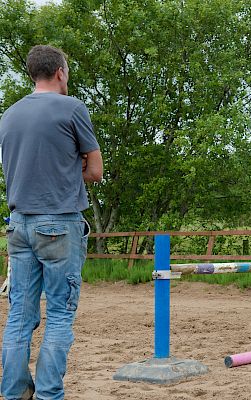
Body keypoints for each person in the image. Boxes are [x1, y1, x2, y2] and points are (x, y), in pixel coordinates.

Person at [0, 45, 103, 400]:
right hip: (59, 223)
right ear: (60, 72)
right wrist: (67, 169)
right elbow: (96, 171)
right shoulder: (72, 108)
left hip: (18, 225)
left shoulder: (8, 115)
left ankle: (14, 393)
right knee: (60, 315)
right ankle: (48, 394)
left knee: (19, 317)